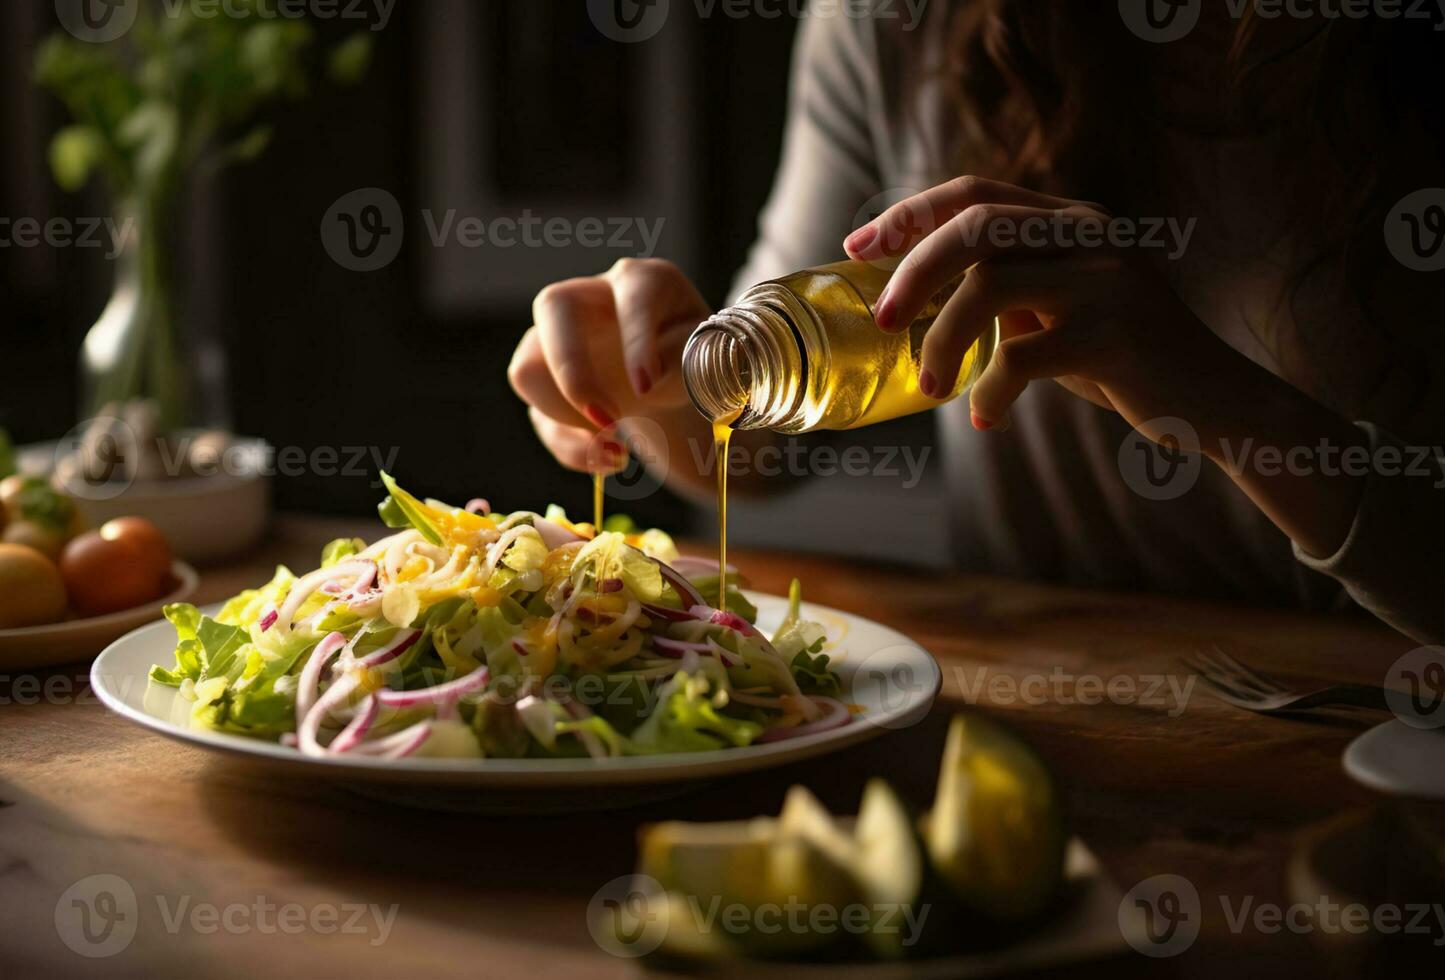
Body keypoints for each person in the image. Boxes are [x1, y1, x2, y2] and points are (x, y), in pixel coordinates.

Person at [506, 3, 1445, 645]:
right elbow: (753, 450)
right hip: (1052, 703)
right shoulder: (894, 25)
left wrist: (1232, 409)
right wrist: (646, 380)